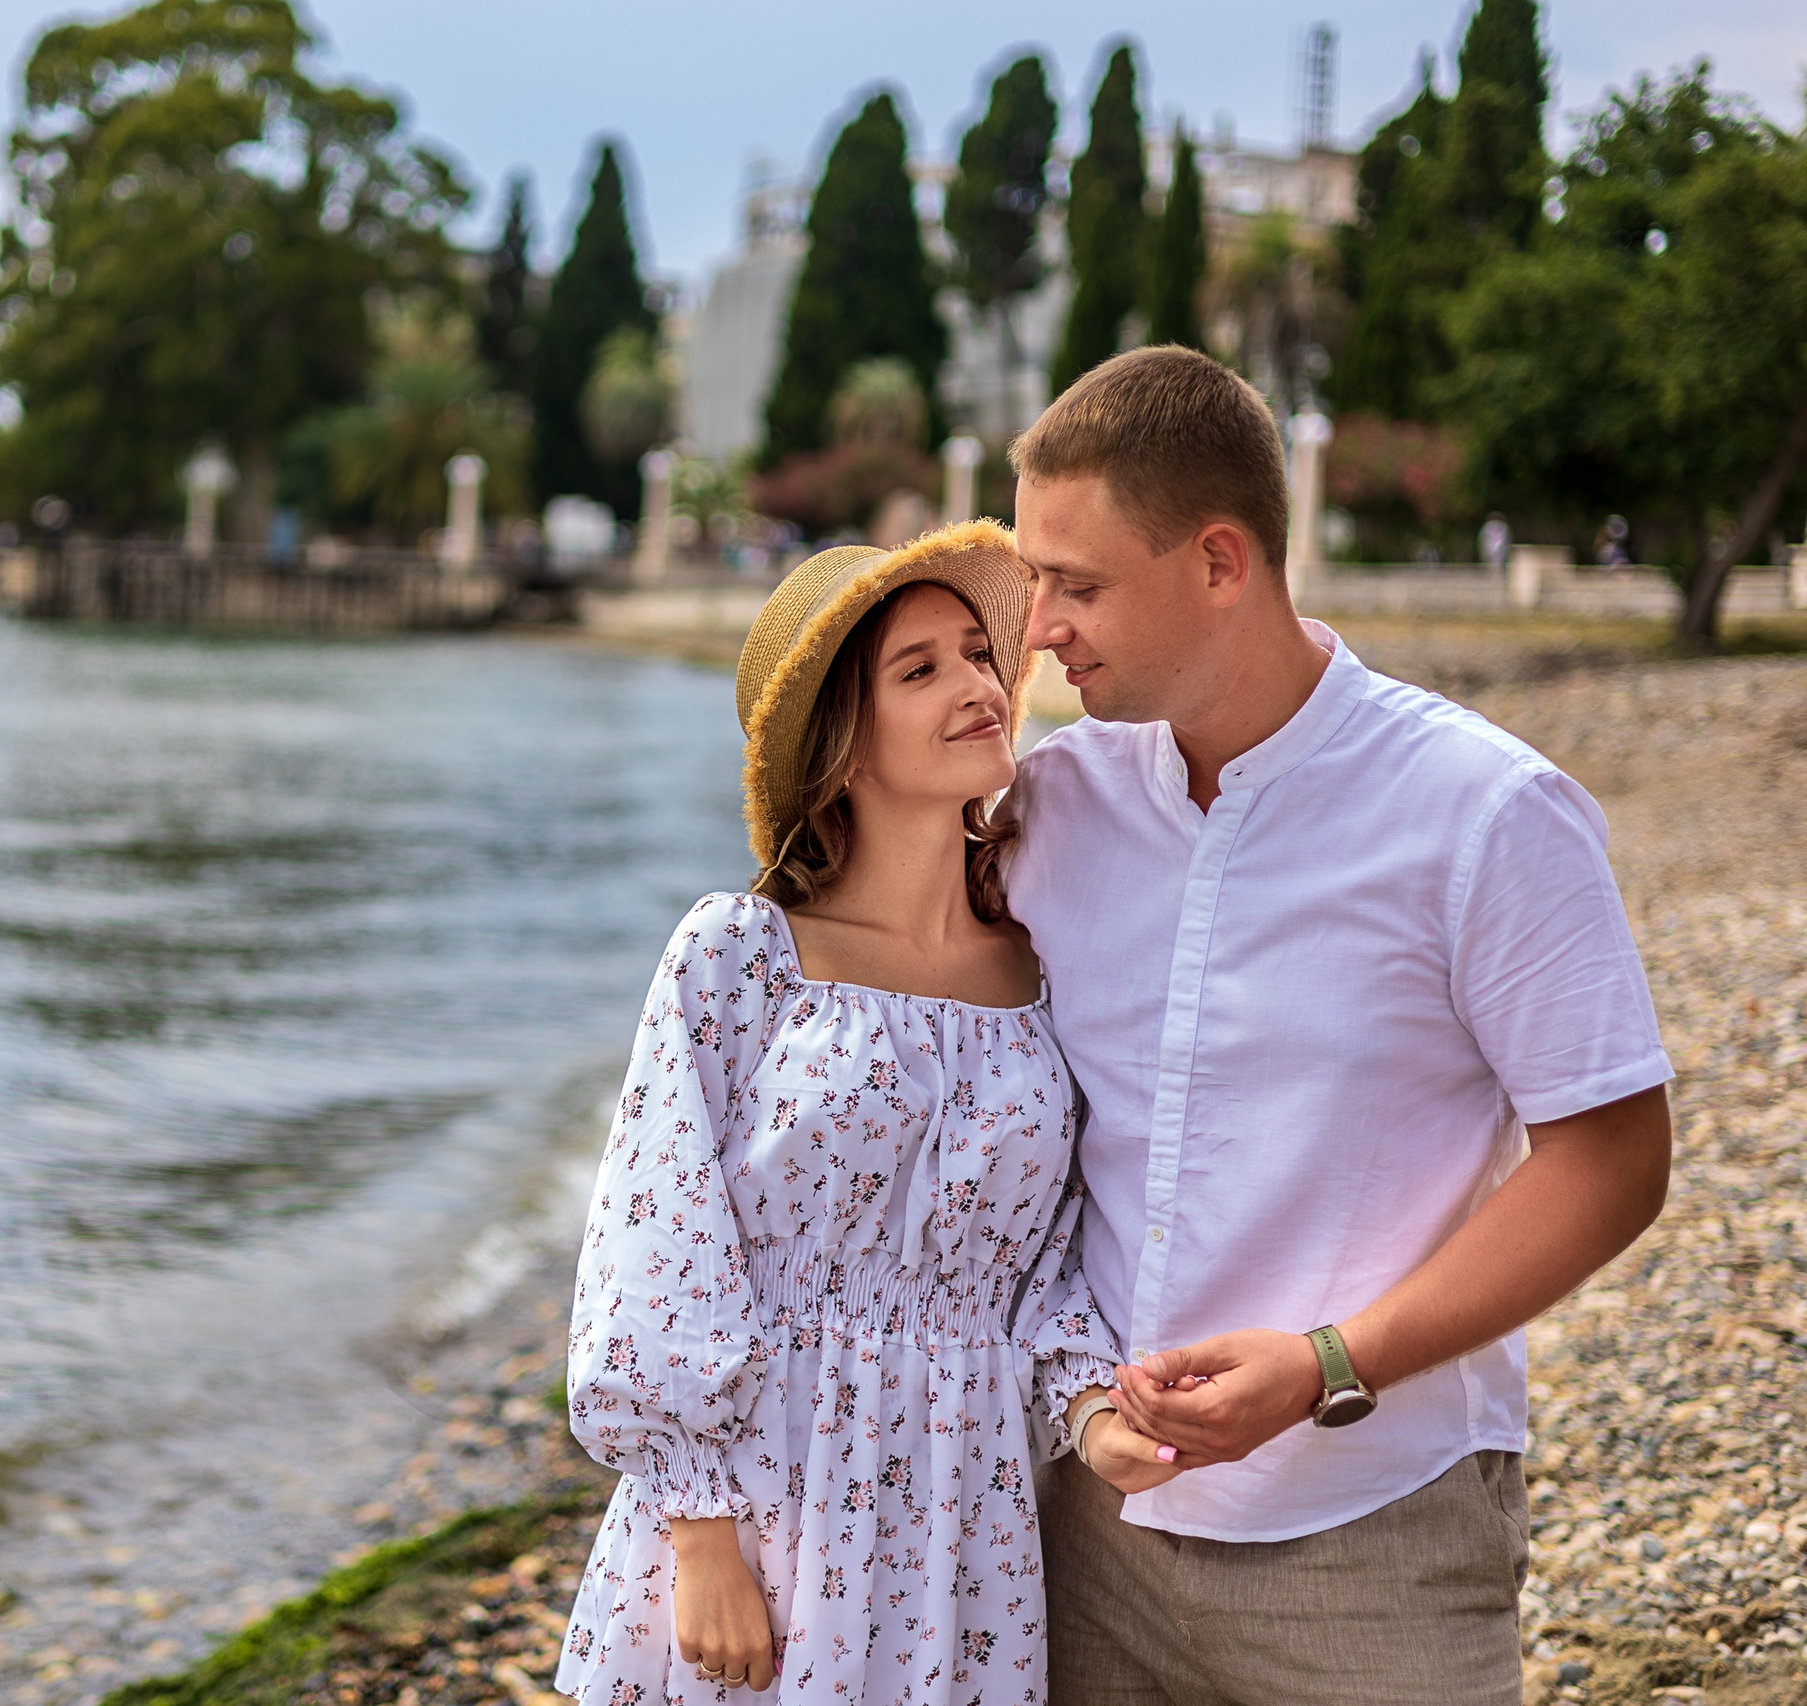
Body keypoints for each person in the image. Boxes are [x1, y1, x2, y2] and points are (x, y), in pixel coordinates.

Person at [1002, 346, 1673, 1704]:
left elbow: (1614, 1160)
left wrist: (1327, 1367)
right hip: (1082, 1526)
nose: (1040, 629)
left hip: (1377, 1526)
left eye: (1077, 585)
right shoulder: (1044, 806)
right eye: (1033, 584)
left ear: (1220, 563)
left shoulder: (1485, 813)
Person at [555, 526, 1176, 1706]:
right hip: (760, 1492)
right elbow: (659, 1241)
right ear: (840, 745)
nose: (979, 686)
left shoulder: (1041, 970)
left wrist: (1093, 1409)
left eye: (976, 653)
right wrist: (697, 1531)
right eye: (920, 669)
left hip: (966, 1513)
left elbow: (1042, 1263)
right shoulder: (739, 957)